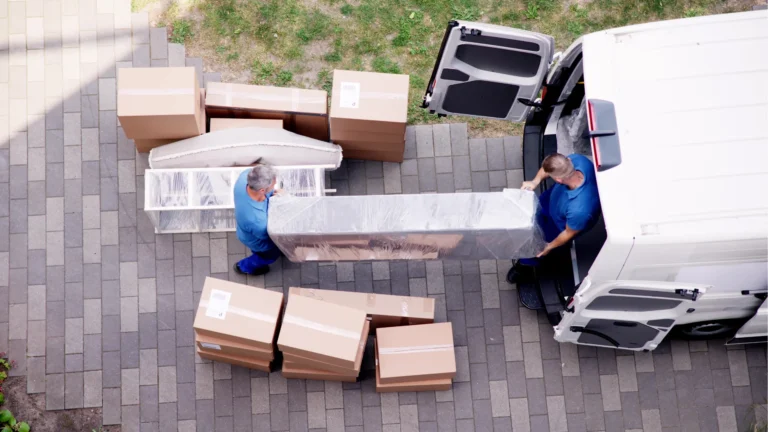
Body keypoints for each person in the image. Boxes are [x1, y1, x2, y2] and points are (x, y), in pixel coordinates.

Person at [507, 152, 601, 283]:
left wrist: (549, 246)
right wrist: (535, 181)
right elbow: (547, 169)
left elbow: (568, 233)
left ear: (558, 180)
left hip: (557, 226)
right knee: (533, 218)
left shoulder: (580, 210)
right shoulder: (577, 161)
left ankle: (526, 265)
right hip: (552, 200)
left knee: (536, 245)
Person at [232, 163, 282, 276]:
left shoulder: (244, 177)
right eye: (273, 186)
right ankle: (244, 267)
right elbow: (270, 237)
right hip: (259, 242)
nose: (274, 187)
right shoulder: (258, 221)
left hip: (245, 230)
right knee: (267, 257)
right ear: (262, 190)